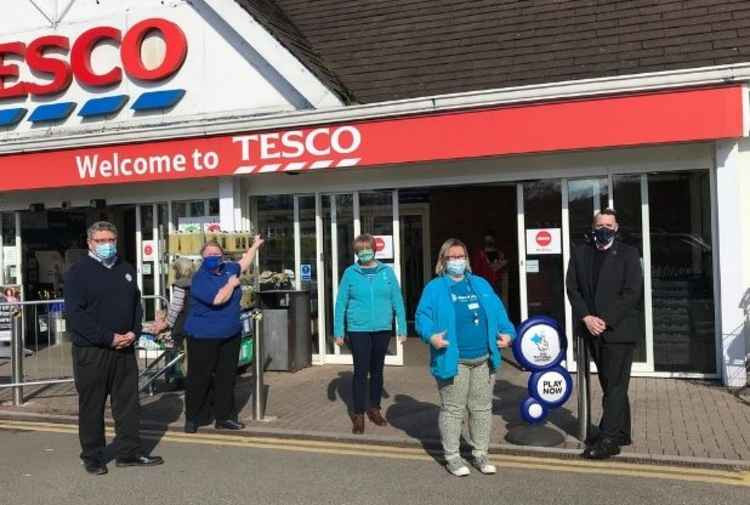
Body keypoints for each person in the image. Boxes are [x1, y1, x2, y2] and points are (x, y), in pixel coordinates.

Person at [64, 221, 163, 476]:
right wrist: (109, 338)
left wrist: (134, 331)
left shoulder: (126, 269)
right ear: (90, 243)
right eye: (101, 241)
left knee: (128, 405)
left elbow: (136, 305)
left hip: (125, 349)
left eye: (111, 240)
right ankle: (93, 457)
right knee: (92, 406)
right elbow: (76, 315)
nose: (107, 245)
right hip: (93, 351)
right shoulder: (78, 272)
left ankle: (129, 453)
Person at [416, 238, 516, 476]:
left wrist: (509, 333)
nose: (457, 261)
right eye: (452, 257)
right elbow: (422, 317)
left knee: (481, 409)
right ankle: (453, 457)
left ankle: (480, 454)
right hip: (454, 360)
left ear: (467, 260)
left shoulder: (480, 284)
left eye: (461, 256)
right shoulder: (435, 288)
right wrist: (431, 337)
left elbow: (499, 312)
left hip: (484, 358)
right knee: (453, 410)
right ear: (443, 261)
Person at [566, 209, 643, 460]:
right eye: (600, 224)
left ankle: (609, 440)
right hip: (591, 329)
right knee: (611, 384)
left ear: (616, 227)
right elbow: (573, 289)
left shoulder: (629, 254)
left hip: (618, 331)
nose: (604, 229)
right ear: (593, 226)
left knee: (616, 385)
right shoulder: (580, 253)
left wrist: (605, 320)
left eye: (609, 225)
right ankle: (622, 432)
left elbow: (632, 292)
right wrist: (586, 317)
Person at [183, 236, 264, 433]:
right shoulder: (200, 278)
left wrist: (254, 246)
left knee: (226, 377)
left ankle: (224, 417)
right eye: (209, 254)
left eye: (216, 253)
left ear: (222, 255)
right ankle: (194, 417)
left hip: (230, 334)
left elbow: (243, 263)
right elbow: (218, 299)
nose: (213, 256)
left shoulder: (229, 268)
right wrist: (231, 284)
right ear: (202, 256)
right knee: (199, 378)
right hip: (203, 336)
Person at [333, 234, 407, 434]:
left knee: (377, 370)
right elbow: (341, 303)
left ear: (374, 249)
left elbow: (397, 299)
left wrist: (402, 327)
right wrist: (338, 331)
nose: (364, 252)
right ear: (356, 252)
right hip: (358, 329)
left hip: (382, 327)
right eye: (360, 250)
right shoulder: (350, 273)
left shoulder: (386, 272)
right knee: (360, 371)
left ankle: (374, 408)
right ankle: (358, 414)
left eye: (367, 248)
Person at [146, 257, 195, 385]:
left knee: (187, 361)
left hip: (185, 326)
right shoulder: (197, 282)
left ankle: (193, 389)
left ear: (179, 270)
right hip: (198, 326)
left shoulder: (181, 284)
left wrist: (166, 323)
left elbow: (176, 308)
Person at [470, 231, 508, 302]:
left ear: (494, 240)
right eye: (487, 240)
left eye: (490, 240)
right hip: (483, 284)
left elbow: (503, 270)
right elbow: (476, 270)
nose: (489, 242)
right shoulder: (480, 254)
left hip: (497, 284)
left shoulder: (500, 254)